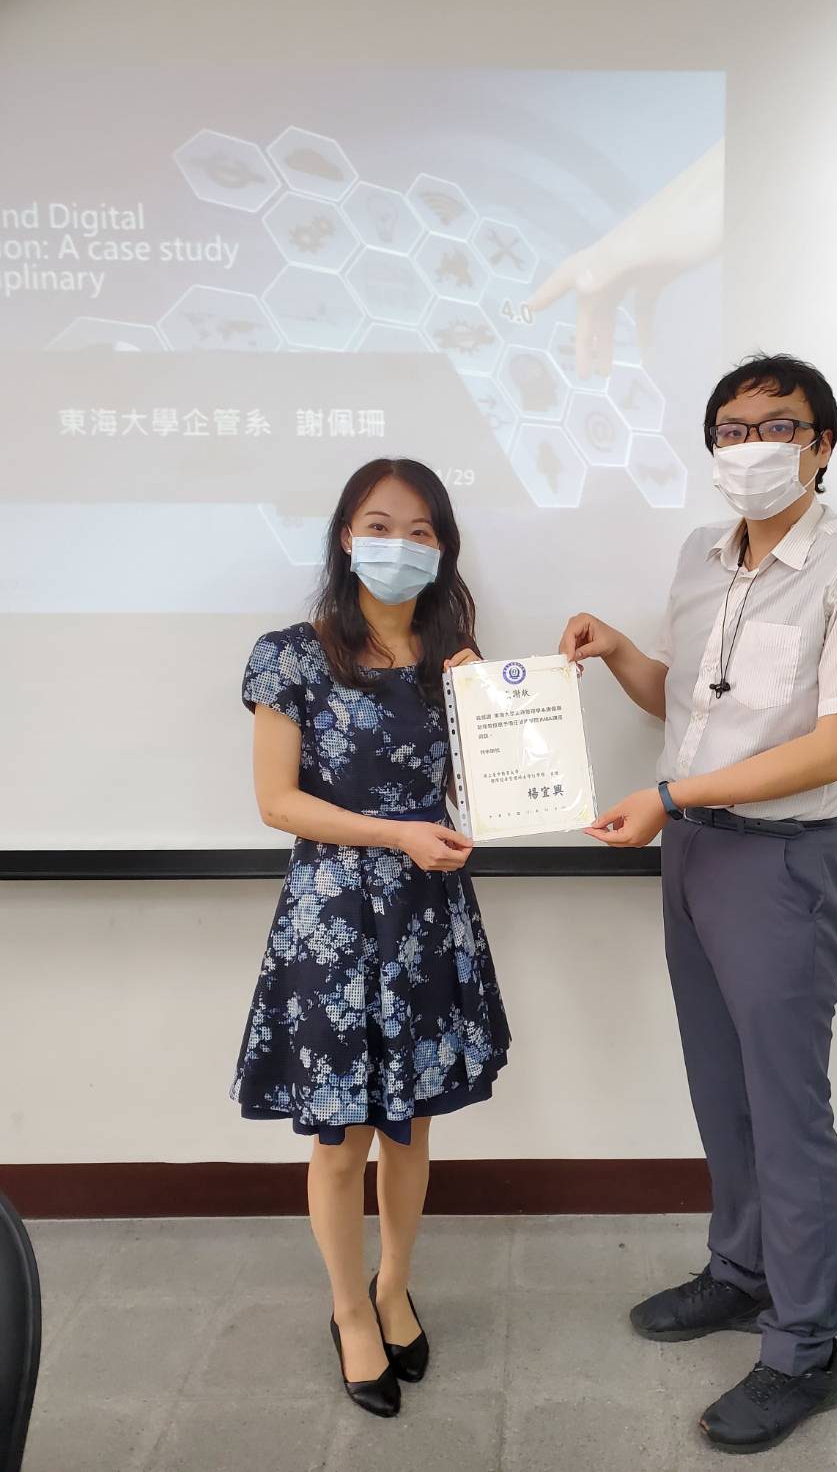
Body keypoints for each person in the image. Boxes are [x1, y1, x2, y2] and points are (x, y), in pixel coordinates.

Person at [559, 354, 837, 1454]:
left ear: (821, 444)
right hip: (694, 856)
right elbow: (693, 704)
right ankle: (741, 1269)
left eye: (776, 426)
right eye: (730, 429)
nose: (749, 446)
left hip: (780, 862)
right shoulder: (701, 557)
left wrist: (671, 796)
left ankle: (804, 1347)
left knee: (785, 1108)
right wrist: (622, 653)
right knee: (722, 1091)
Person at [231, 458, 510, 1419]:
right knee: (342, 1135)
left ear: (444, 548)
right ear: (347, 536)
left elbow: (485, 793)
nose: (401, 544)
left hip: (427, 916)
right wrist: (397, 833)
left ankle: (395, 1285)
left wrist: (496, 707)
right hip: (335, 922)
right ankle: (349, 1308)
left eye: (423, 530)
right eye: (381, 525)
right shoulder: (291, 655)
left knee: (412, 1125)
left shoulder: (454, 657)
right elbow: (277, 801)